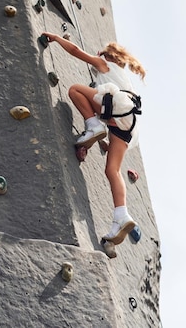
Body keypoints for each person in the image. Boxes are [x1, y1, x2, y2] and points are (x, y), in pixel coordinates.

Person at [42, 32, 146, 247]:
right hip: (128, 123)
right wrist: (103, 141)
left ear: (106, 56)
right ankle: (121, 216)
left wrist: (55, 37)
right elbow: (108, 112)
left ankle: (92, 125)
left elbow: (75, 51)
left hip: (117, 106)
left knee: (75, 90)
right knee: (113, 171)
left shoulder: (104, 64)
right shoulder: (121, 76)